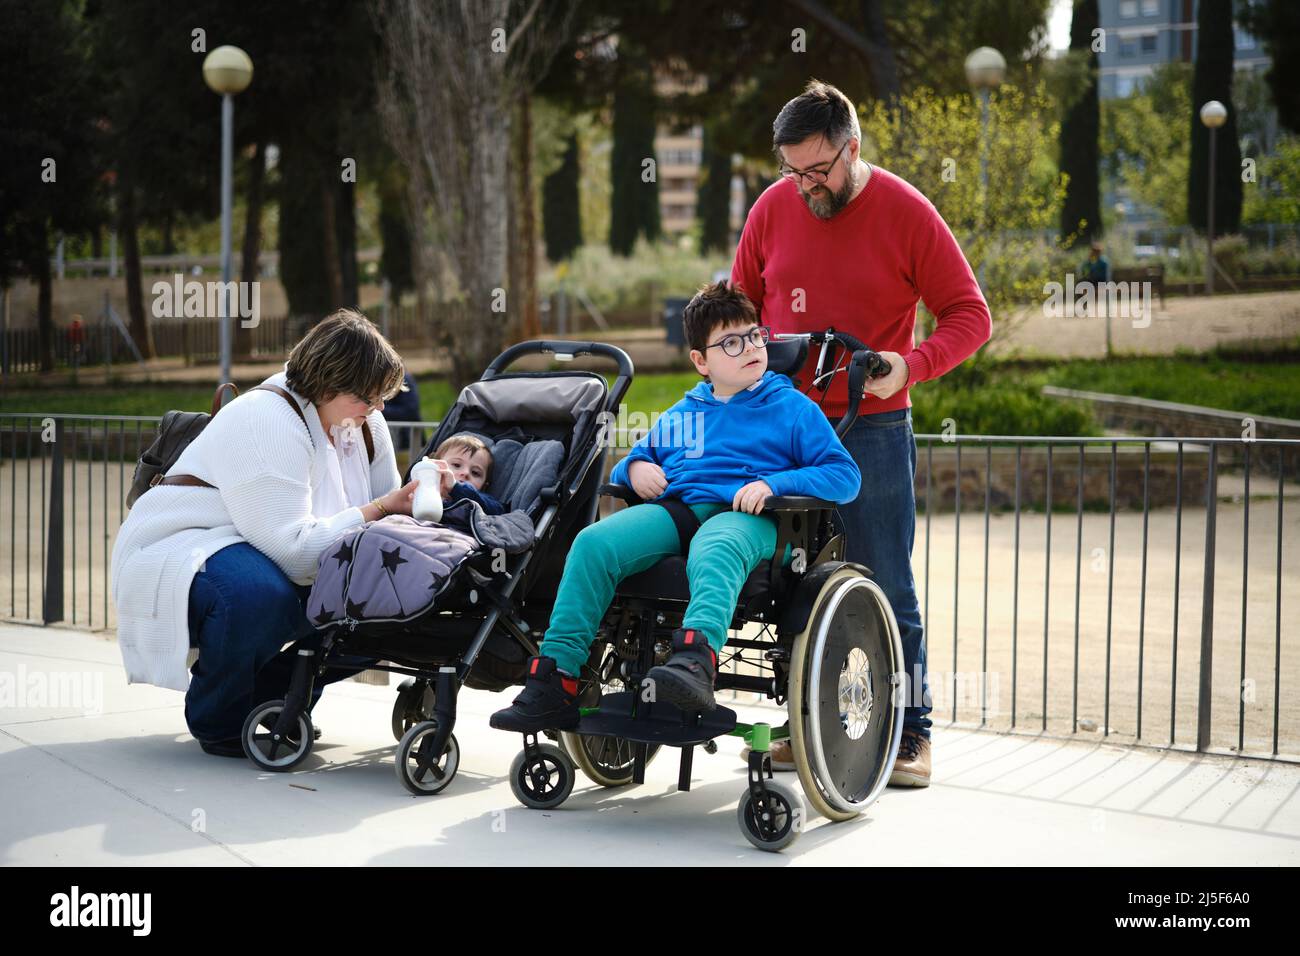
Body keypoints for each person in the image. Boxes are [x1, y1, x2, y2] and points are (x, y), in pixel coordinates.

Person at [730, 80, 993, 786]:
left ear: (852, 149)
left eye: (818, 170)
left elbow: (971, 315)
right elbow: (740, 308)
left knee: (885, 581)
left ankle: (912, 733)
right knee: (791, 582)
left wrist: (910, 366)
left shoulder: (907, 211)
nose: (805, 186)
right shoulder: (772, 207)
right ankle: (805, 729)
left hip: (872, 428)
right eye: (792, 171)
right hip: (784, 428)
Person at [489, 281, 860, 731]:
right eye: (731, 342)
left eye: (754, 335)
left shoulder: (792, 408)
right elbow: (633, 460)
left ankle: (695, 662)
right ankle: (557, 679)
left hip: (755, 519)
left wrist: (774, 483)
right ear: (701, 361)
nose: (750, 347)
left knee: (716, 543)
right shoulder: (686, 411)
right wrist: (636, 469)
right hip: (681, 511)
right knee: (593, 543)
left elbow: (844, 475)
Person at [110, 309, 420, 757]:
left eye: (382, 397)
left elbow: (386, 520)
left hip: (261, 543)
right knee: (258, 596)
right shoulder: (267, 420)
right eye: (368, 398)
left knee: (387, 603)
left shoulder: (367, 424)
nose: (379, 409)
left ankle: (276, 704)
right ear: (327, 386)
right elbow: (297, 554)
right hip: (191, 541)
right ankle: (219, 720)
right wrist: (379, 509)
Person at [429, 433, 505, 515]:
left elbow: (499, 510)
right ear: (436, 465)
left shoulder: (479, 501)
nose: (466, 473)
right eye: (456, 465)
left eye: (475, 473)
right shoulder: (424, 489)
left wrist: (455, 487)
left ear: (484, 486)